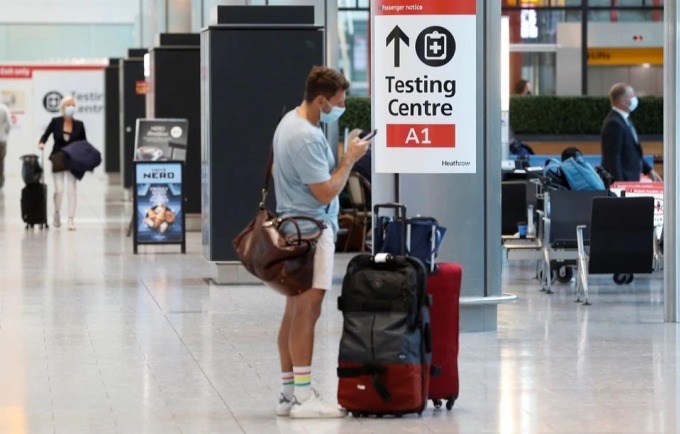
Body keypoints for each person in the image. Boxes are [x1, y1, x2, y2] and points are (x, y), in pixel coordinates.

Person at [272, 66, 369, 418]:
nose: (340, 107)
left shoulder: (290, 123)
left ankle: (287, 393)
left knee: (294, 312)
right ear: (321, 100)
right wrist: (350, 159)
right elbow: (325, 190)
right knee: (307, 313)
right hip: (311, 231)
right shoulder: (306, 137)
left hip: (295, 228)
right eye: (338, 102)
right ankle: (302, 397)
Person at [38, 96, 87, 230]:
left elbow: (84, 143)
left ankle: (71, 219)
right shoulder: (55, 122)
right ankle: (57, 212)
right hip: (58, 158)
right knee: (59, 190)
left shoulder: (79, 125)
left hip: (73, 159)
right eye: (68, 105)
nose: (70, 107)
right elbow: (46, 135)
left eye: (72, 105)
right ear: (62, 107)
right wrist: (42, 142)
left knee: (72, 190)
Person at [600, 83, 661, 182]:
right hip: (624, 182)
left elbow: (633, 151)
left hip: (630, 180)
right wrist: (619, 186)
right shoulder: (613, 123)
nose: (635, 99)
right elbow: (613, 159)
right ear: (623, 101)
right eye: (632, 96)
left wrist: (648, 169)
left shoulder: (625, 119)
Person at [0, 101, 11, 189]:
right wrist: (5, 133)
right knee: (1, 161)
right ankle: (0, 182)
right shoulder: (4, 108)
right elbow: (9, 124)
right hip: (1, 139)